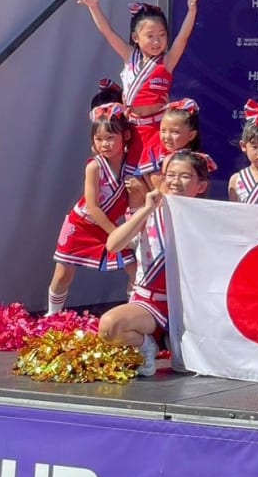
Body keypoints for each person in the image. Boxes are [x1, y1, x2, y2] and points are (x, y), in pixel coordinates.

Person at [98, 150, 215, 377]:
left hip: (187, 308)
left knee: (190, 369)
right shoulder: (149, 213)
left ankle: (172, 341)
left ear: (201, 186)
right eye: (170, 174)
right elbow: (113, 245)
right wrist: (146, 210)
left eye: (185, 176)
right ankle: (146, 345)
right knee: (109, 327)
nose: (175, 181)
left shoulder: (208, 220)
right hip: (148, 303)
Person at [73, 0, 200, 171]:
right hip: (132, 130)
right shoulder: (129, 55)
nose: (157, 41)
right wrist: (94, 6)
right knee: (133, 183)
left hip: (157, 129)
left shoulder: (167, 60)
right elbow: (108, 32)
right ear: (136, 37)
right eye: (150, 36)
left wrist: (192, 9)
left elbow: (183, 37)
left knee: (157, 178)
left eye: (162, 35)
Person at [46, 102, 137, 314]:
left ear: (125, 137)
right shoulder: (94, 166)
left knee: (134, 268)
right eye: (99, 139)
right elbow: (93, 207)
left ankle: (133, 314)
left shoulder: (132, 165)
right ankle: (52, 315)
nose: (105, 144)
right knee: (63, 274)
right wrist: (118, 233)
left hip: (110, 227)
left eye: (110, 138)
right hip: (82, 225)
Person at [138, 97, 202, 190]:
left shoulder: (196, 162)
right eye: (163, 131)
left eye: (175, 132)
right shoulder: (156, 153)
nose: (167, 137)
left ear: (191, 135)